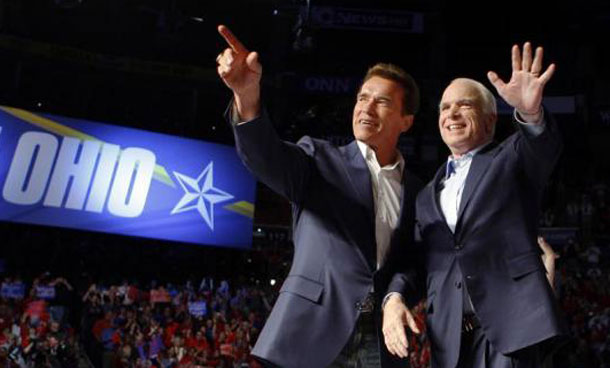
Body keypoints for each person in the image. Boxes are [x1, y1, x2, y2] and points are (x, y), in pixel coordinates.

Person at [216, 24, 422, 368]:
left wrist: (396, 296)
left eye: (382, 101)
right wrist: (247, 96)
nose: (366, 107)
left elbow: (412, 262)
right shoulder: (319, 158)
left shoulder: (418, 191)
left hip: (381, 339)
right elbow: (266, 158)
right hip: (311, 329)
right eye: (362, 97)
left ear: (406, 120)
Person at [382, 43, 568, 367]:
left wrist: (530, 114)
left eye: (464, 105)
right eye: (444, 107)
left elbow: (541, 147)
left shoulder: (510, 160)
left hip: (510, 333)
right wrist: (394, 298)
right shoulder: (426, 195)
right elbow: (418, 261)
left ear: (490, 120)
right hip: (450, 343)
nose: (451, 114)